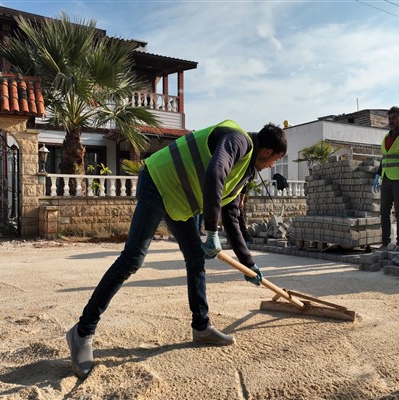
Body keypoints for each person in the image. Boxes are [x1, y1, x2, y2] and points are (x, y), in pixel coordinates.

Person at [66, 120, 287, 379]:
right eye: (275, 161)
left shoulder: (246, 170)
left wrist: (248, 263)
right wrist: (212, 231)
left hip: (180, 200)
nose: (272, 166)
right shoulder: (238, 141)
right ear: (269, 152)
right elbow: (216, 171)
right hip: (158, 181)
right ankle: (82, 331)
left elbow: (231, 212)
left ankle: (201, 326)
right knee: (133, 258)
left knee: (195, 258)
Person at [372, 106, 399, 250]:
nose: (391, 121)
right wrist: (378, 174)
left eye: (394, 118)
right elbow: (384, 158)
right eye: (389, 118)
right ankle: (385, 243)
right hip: (386, 180)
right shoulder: (386, 137)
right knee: (384, 211)